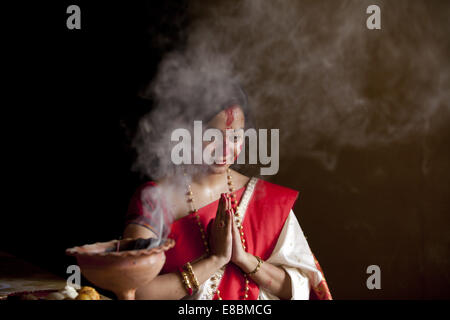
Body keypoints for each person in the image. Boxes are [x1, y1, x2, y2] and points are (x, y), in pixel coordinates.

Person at [123, 84, 332, 300]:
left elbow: (301, 289)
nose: (225, 149)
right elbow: (132, 290)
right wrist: (215, 260)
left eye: (235, 137)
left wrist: (244, 259)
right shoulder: (155, 199)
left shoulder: (266, 200)